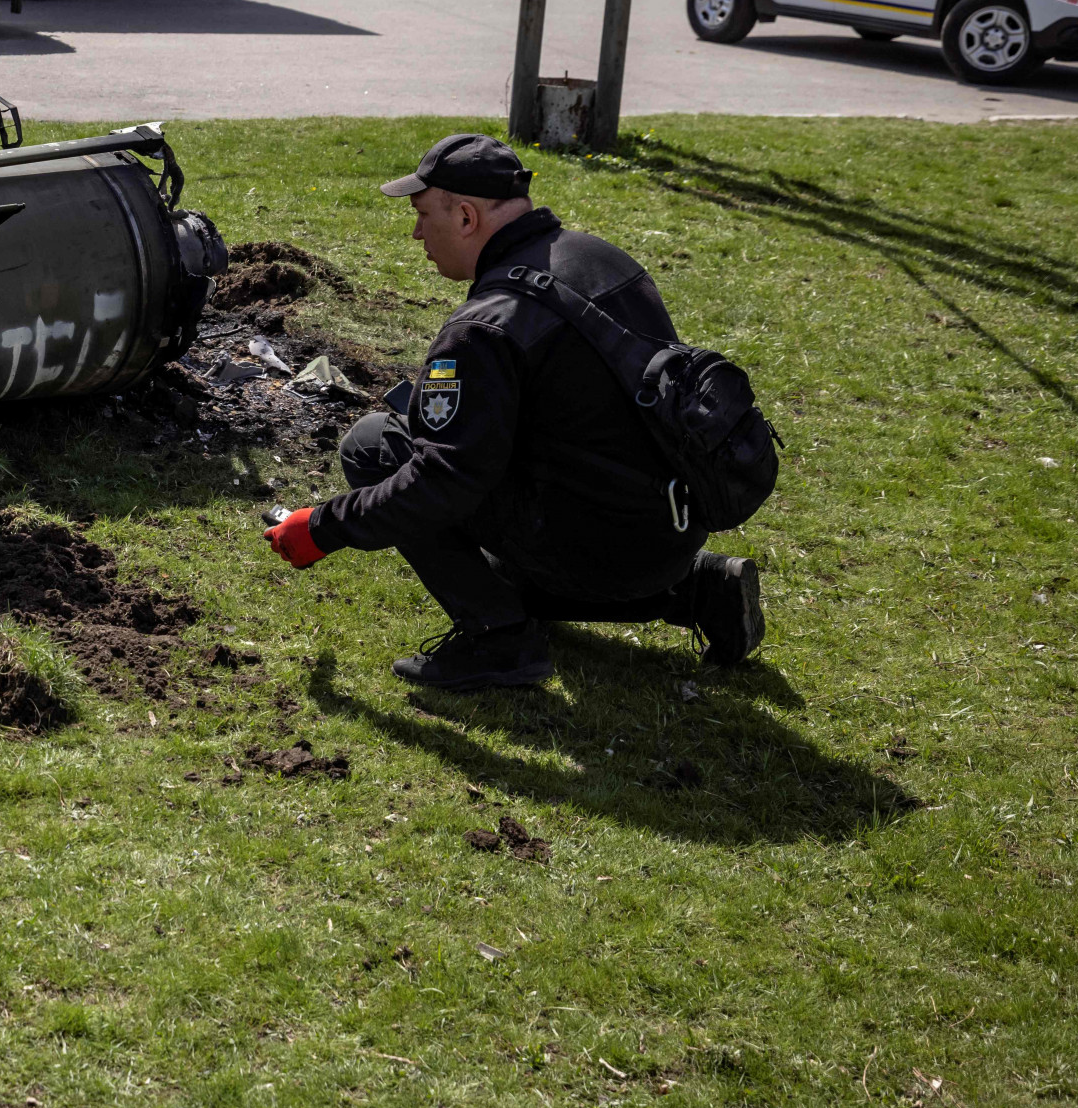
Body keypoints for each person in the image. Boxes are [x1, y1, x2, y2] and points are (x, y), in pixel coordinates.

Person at [263, 133, 764, 690]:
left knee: (375, 445)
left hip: (598, 552)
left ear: (467, 216)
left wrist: (323, 527)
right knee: (509, 547)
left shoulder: (484, 327)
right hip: (671, 530)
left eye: (423, 214)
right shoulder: (603, 257)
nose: (416, 233)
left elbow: (442, 484)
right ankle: (696, 589)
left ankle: (499, 641)